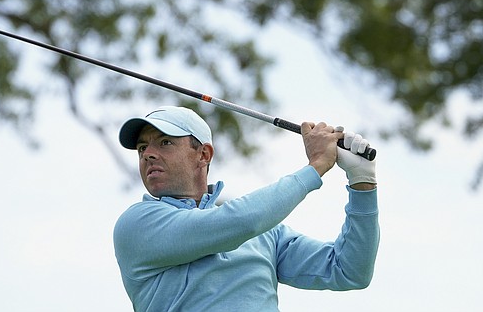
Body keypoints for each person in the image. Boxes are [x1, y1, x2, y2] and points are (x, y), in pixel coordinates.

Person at [113, 105, 379, 312]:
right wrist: (317, 166)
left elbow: (349, 270)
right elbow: (239, 223)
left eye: (165, 142)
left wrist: (362, 183)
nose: (148, 153)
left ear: (203, 155)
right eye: (141, 147)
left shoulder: (268, 234)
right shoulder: (138, 224)